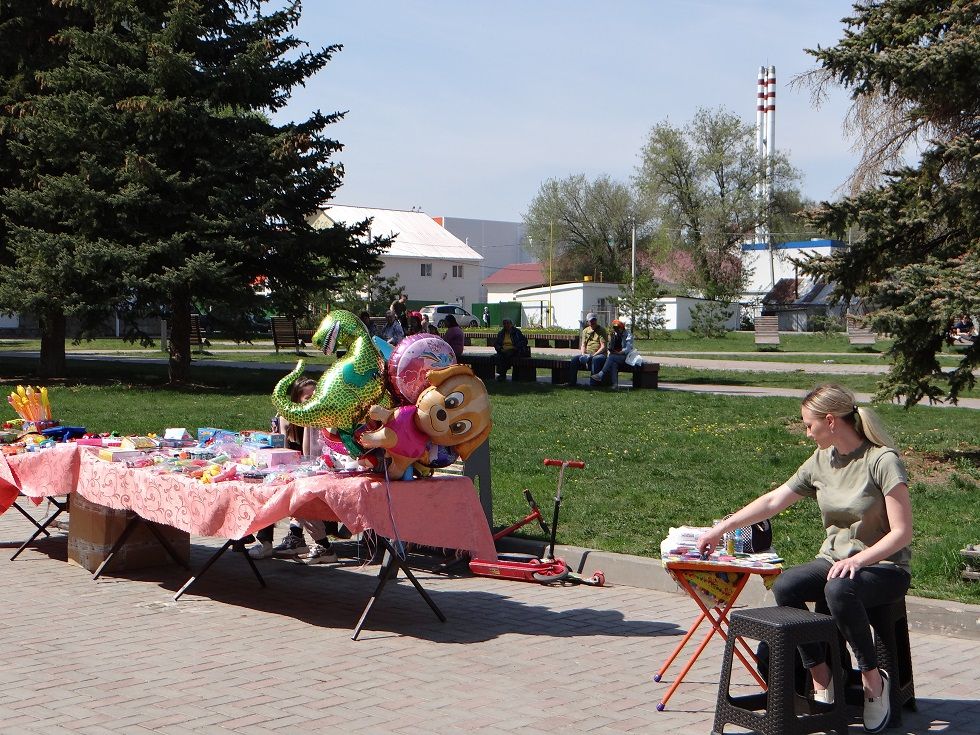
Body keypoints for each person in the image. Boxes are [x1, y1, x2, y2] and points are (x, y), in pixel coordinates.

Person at [695, 384, 912, 734]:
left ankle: (874, 681)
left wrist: (859, 561)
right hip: (835, 561)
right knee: (788, 584)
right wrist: (722, 528)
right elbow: (772, 501)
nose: (807, 432)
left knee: (839, 591)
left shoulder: (882, 460)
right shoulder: (821, 461)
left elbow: (901, 533)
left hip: (884, 567)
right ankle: (822, 674)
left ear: (831, 421)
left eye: (809, 425)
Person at [249, 379, 341, 565]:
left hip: (316, 472)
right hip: (292, 471)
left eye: (316, 396)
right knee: (270, 489)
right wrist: (283, 427)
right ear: (296, 400)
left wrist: (309, 424)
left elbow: (310, 456)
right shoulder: (286, 417)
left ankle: (314, 542)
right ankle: (271, 540)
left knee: (298, 494)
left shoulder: (322, 418)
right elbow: (280, 453)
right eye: (308, 398)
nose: (313, 401)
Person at [567, 312, 607, 386]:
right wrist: (583, 355)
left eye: (594, 320)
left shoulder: (602, 330)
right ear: (587, 322)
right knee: (574, 360)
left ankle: (593, 384)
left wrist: (593, 355)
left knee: (595, 359)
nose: (592, 322)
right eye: (591, 320)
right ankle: (572, 382)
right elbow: (583, 345)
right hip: (587, 353)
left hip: (599, 354)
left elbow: (603, 347)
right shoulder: (585, 331)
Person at [591, 319, 632, 387]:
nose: (616, 330)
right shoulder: (614, 334)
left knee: (612, 358)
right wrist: (611, 347)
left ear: (622, 328)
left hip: (626, 356)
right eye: (615, 328)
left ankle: (600, 375)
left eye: (617, 329)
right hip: (616, 356)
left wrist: (618, 353)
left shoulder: (628, 335)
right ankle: (615, 385)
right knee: (613, 363)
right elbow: (611, 347)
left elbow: (628, 349)